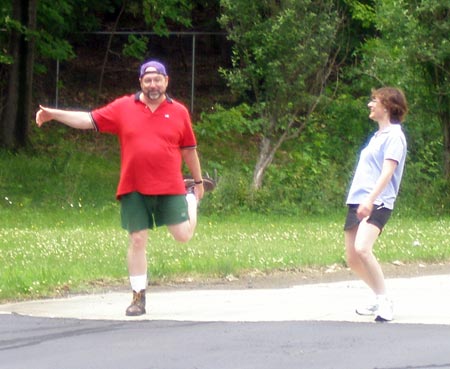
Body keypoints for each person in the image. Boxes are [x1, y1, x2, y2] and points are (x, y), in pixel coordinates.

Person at [36, 60, 215, 316]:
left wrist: (197, 183)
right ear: (141, 82)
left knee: (183, 235)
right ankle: (138, 296)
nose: (153, 84)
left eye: (158, 79)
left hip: (170, 185)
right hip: (134, 186)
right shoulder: (123, 107)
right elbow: (88, 120)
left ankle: (189, 200)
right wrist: (55, 114)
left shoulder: (179, 112)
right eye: (147, 80)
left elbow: (189, 150)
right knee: (137, 238)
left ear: (166, 81)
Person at [344, 87, 408, 322]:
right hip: (358, 200)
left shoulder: (395, 136)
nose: (370, 105)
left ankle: (384, 301)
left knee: (363, 248)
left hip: (378, 201)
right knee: (352, 257)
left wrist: (370, 199)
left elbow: (388, 172)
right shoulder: (377, 137)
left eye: (375, 101)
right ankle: (377, 295)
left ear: (388, 107)